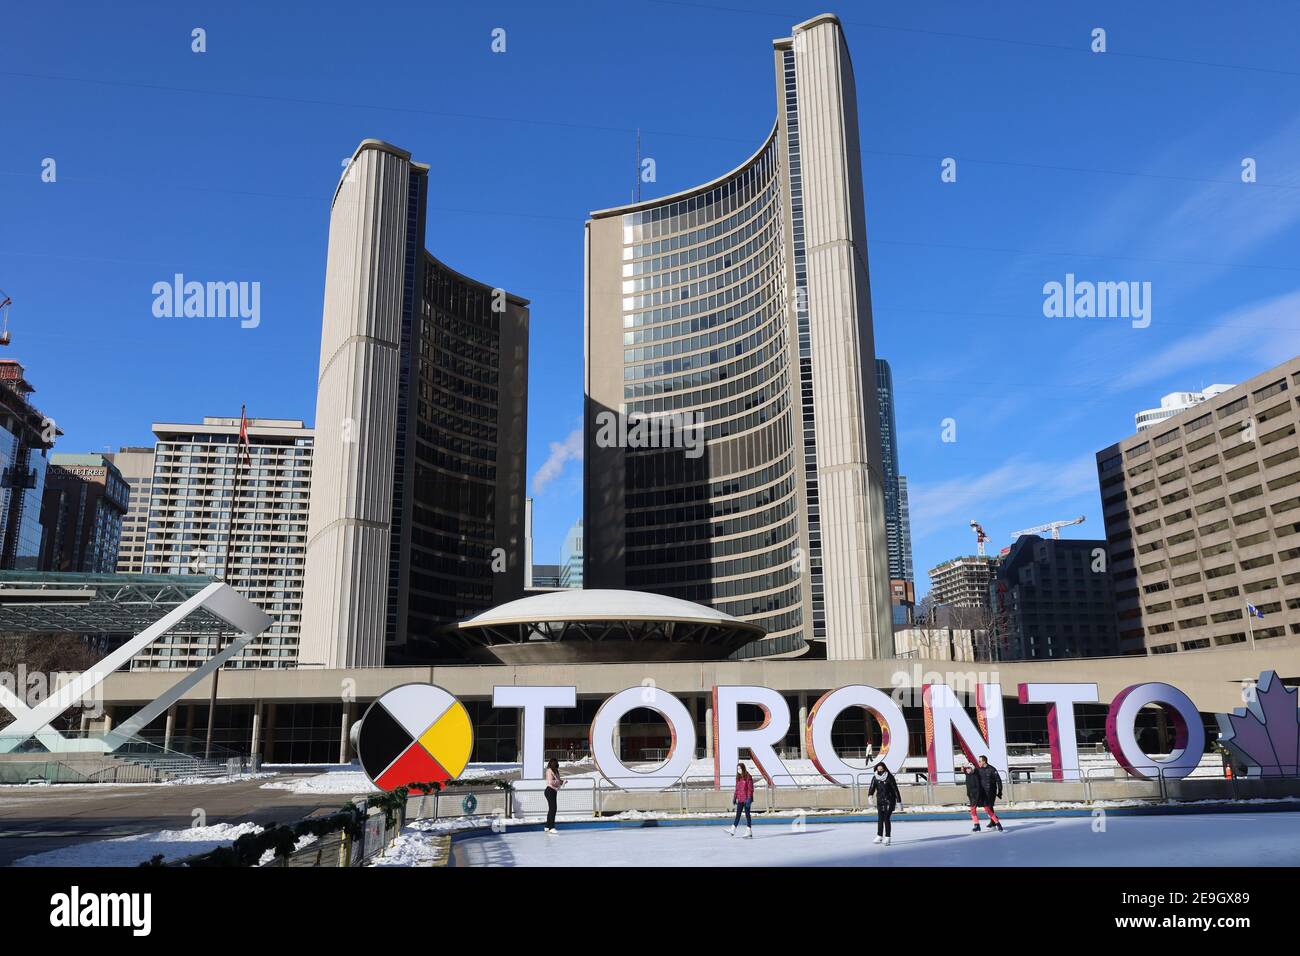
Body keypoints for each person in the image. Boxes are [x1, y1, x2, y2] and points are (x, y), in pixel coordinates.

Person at [867, 761, 901, 845]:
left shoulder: (889, 777)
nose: (880, 768)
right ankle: (879, 836)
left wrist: (899, 801)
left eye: (881, 767)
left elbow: (895, 789)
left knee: (886, 818)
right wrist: (870, 795)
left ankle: (888, 837)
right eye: (878, 767)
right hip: (880, 801)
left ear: (884, 767)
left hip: (889, 801)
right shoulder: (875, 777)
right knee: (880, 819)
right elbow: (872, 787)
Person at [964, 762, 999, 831]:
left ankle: (997, 823)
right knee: (973, 811)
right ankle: (977, 825)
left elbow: (978, 787)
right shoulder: (967, 776)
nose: (967, 770)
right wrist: (969, 795)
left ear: (972, 768)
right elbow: (968, 787)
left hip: (981, 796)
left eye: (968, 768)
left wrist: (976, 797)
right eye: (966, 769)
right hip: (973, 797)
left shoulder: (976, 775)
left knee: (988, 810)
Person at [975, 755, 1004, 832]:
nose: (979, 762)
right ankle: (994, 820)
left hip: (991, 791)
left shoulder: (992, 769)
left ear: (984, 761)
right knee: (988, 807)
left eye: (980, 761)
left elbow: (998, 780)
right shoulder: (979, 770)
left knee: (989, 806)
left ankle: (993, 822)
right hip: (983, 792)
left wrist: (1000, 791)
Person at [726, 762, 755, 838]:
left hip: (746, 799)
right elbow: (737, 789)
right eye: (737, 769)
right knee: (738, 814)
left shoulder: (748, 777)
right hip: (740, 799)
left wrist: (749, 798)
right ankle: (733, 829)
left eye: (740, 768)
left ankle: (748, 830)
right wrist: (735, 797)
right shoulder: (738, 778)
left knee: (747, 814)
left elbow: (750, 789)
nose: (739, 770)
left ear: (743, 768)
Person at [544, 757, 564, 833]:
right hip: (549, 790)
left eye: (556, 763)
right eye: (553, 763)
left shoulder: (556, 771)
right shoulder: (549, 771)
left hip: (553, 791)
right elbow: (551, 782)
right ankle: (551, 827)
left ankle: (547, 826)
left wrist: (562, 782)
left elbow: (557, 780)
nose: (555, 764)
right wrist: (559, 782)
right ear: (551, 763)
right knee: (553, 809)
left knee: (552, 809)